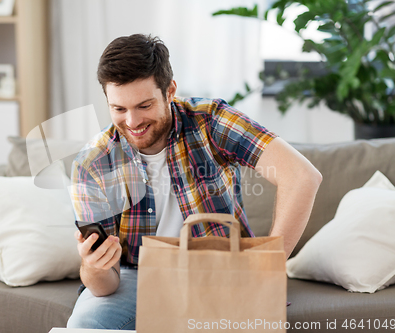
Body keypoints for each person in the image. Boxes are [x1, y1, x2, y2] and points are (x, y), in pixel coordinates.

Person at [66, 34, 322, 330]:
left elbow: (302, 177)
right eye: (119, 109)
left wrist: (267, 266)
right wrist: (93, 266)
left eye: (144, 105)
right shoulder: (92, 163)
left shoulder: (211, 122)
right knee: (86, 323)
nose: (133, 122)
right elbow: (104, 286)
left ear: (170, 91)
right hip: (134, 277)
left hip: (220, 272)